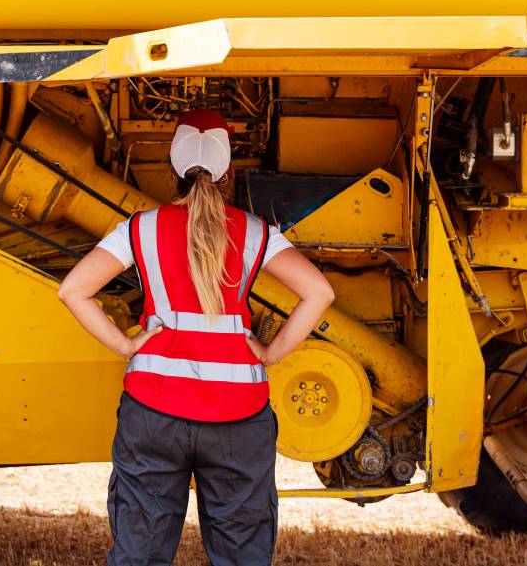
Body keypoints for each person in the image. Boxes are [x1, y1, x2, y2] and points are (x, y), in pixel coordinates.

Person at [57, 109, 335, 566]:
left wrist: (127, 346)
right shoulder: (255, 233)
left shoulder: (140, 228)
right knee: (242, 555)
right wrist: (268, 353)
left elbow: (73, 291)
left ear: (173, 168)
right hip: (238, 416)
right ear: (227, 174)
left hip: (153, 411)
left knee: (140, 553)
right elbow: (318, 292)